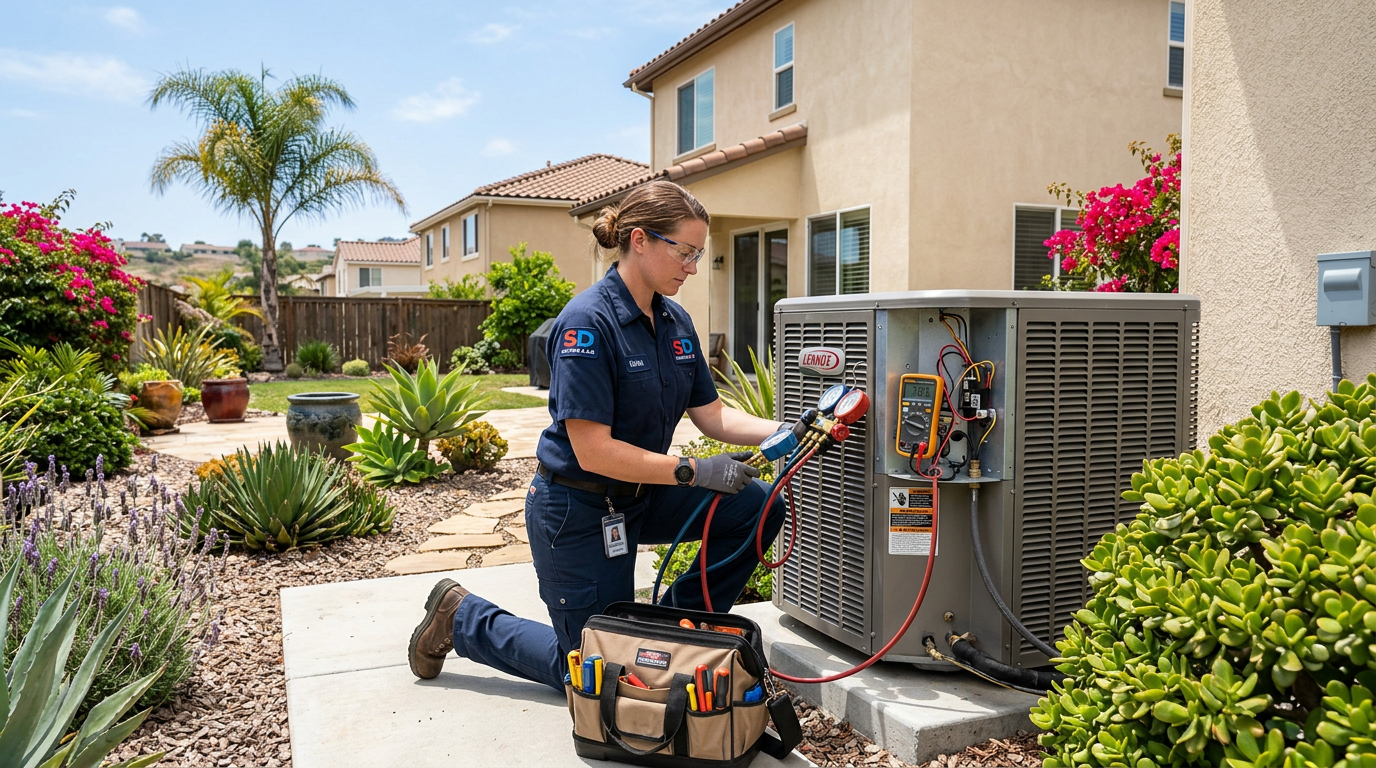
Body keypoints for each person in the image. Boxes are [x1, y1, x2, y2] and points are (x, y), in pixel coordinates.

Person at [407, 180, 788, 692]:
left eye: (699, 254)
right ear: (639, 240)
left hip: (643, 496)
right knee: (605, 675)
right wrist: (694, 470)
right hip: (579, 510)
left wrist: (787, 428)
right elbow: (593, 451)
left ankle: (669, 634)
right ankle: (462, 619)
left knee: (757, 507)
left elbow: (713, 416)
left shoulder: (676, 321)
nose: (693, 267)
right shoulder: (587, 323)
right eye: (685, 252)